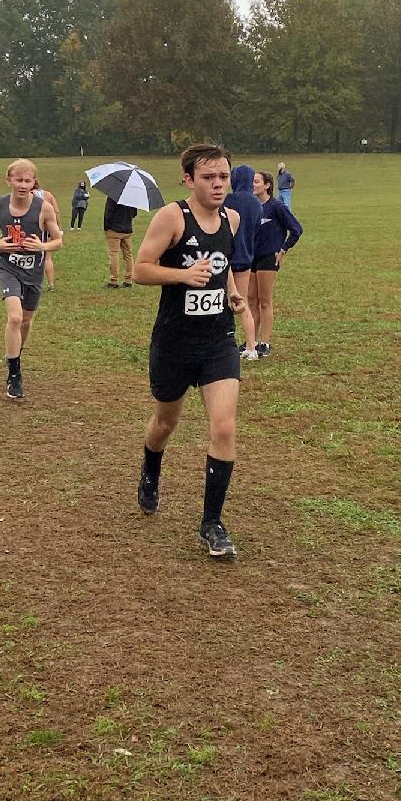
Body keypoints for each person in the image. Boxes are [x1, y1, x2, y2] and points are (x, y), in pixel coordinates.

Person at [133, 142, 247, 559]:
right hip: (175, 341)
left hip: (217, 340)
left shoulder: (232, 219)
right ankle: (150, 470)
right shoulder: (172, 217)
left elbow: (224, 264)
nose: (218, 185)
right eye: (208, 177)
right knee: (165, 423)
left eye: (223, 177)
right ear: (188, 179)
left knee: (224, 428)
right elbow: (140, 269)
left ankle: (211, 524)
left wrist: (232, 293)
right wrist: (183, 274)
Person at [0, 158, 62, 399]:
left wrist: (42, 245)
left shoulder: (43, 207)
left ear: (34, 182)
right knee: (14, 317)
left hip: (33, 271)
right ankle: (14, 374)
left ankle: (16, 352)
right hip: (7, 268)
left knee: (26, 321)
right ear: (9, 180)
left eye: (28, 180)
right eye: (18, 180)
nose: (23, 184)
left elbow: (58, 240)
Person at [249, 171, 303, 357]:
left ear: (267, 185)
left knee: (265, 301)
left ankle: (265, 343)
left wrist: (283, 249)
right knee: (251, 301)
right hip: (251, 258)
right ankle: (251, 342)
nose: (252, 184)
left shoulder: (276, 206)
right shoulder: (251, 206)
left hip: (268, 258)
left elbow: (296, 229)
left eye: (256, 181)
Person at [225, 164, 263, 361]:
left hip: (228, 257)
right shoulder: (257, 203)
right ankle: (251, 346)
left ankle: (224, 341)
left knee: (224, 301)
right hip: (247, 257)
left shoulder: (229, 199)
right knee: (244, 302)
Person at [32, 180, 62, 291]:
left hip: (34, 226)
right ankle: (51, 284)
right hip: (48, 227)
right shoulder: (48, 194)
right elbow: (57, 211)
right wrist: (58, 228)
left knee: (32, 256)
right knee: (48, 257)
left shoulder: (28, 195)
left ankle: (33, 283)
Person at [104, 196, 137, 288]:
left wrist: (107, 227)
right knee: (128, 255)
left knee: (114, 254)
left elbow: (108, 213)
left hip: (114, 229)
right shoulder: (132, 197)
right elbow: (134, 213)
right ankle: (129, 279)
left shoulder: (113, 196)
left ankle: (113, 280)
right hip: (127, 229)